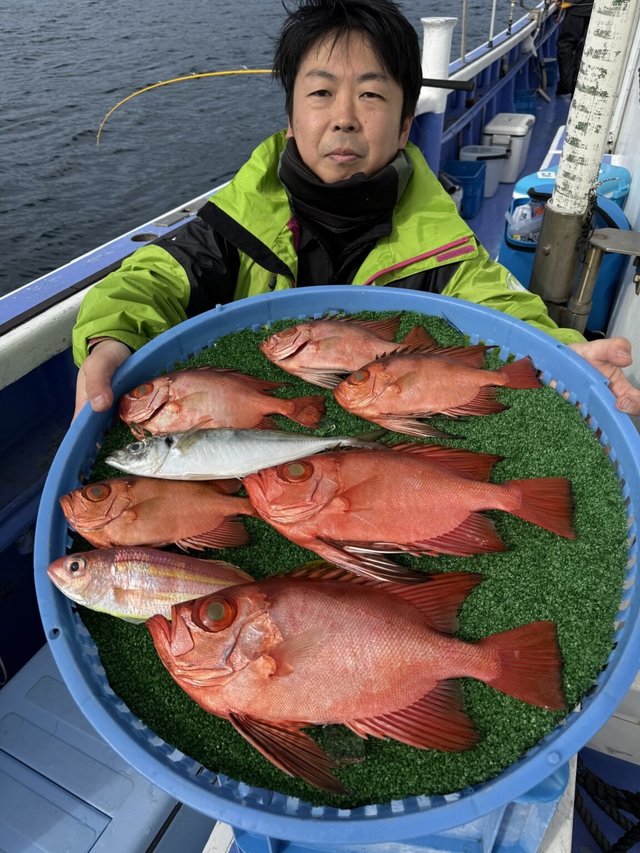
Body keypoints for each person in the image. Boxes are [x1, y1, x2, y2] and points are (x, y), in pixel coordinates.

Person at [72, 0, 640, 419]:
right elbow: (151, 281)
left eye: (371, 94)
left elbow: (502, 309)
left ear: (403, 128)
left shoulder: (442, 252)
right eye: (320, 93)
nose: (344, 116)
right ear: (291, 120)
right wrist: (109, 340)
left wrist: (567, 353)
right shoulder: (231, 229)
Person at [555, 0, 593, 97]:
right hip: (595, 10)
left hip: (576, 8)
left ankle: (567, 84)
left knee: (566, 44)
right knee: (585, 48)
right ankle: (576, 87)